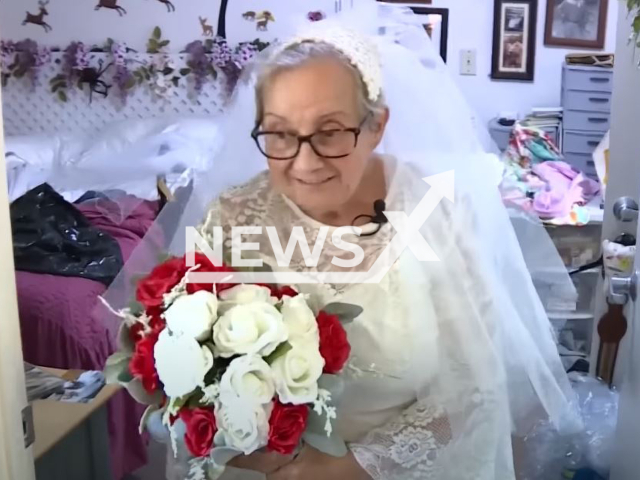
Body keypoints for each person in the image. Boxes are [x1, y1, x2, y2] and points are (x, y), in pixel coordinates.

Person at [100, 2, 582, 479]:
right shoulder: (232, 219)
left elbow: (474, 389)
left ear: (376, 126)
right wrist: (255, 451)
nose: (305, 164)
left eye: (330, 133)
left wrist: (351, 467)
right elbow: (183, 373)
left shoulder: (435, 217)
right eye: (280, 135)